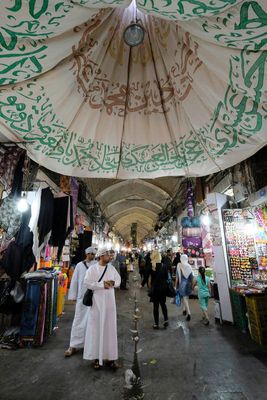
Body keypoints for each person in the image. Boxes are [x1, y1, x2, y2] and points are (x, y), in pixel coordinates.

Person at [83, 247, 121, 369]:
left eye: (109, 255)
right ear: (101, 256)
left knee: (110, 329)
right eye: (107, 255)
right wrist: (101, 285)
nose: (109, 257)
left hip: (110, 303)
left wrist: (113, 283)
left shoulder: (111, 269)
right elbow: (87, 283)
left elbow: (118, 280)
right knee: (96, 329)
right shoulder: (92, 269)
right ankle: (96, 358)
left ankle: (110, 358)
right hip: (97, 304)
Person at [64, 246, 97, 357]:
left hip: (94, 298)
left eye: (93, 254)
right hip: (81, 298)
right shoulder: (79, 266)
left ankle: (90, 345)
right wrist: (72, 295)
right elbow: (74, 281)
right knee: (78, 320)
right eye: (90, 253)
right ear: (86, 254)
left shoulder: (97, 265)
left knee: (92, 322)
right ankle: (73, 345)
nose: (91, 255)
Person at [149, 254, 169, 329]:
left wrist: (142, 284)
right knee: (163, 304)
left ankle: (156, 324)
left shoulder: (152, 266)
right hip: (163, 289)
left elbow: (147, 275)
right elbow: (167, 277)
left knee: (155, 306)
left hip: (155, 289)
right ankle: (166, 320)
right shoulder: (164, 266)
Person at [175, 254, 193, 321]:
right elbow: (192, 277)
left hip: (182, 285)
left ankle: (189, 313)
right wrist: (193, 285)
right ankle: (184, 309)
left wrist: (175, 285)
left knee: (185, 299)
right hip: (188, 284)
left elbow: (177, 277)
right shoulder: (189, 266)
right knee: (186, 298)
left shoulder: (179, 265)